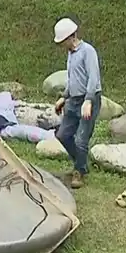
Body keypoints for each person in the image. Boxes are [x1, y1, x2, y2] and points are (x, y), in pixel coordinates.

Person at [52, 17, 100, 189]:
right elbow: (73, 78)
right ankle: (81, 164)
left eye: (62, 41)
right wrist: (64, 97)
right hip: (73, 100)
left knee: (81, 140)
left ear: (71, 37)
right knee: (63, 135)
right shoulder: (71, 54)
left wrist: (88, 101)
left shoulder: (88, 51)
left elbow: (93, 79)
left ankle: (79, 171)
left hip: (88, 99)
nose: (61, 44)